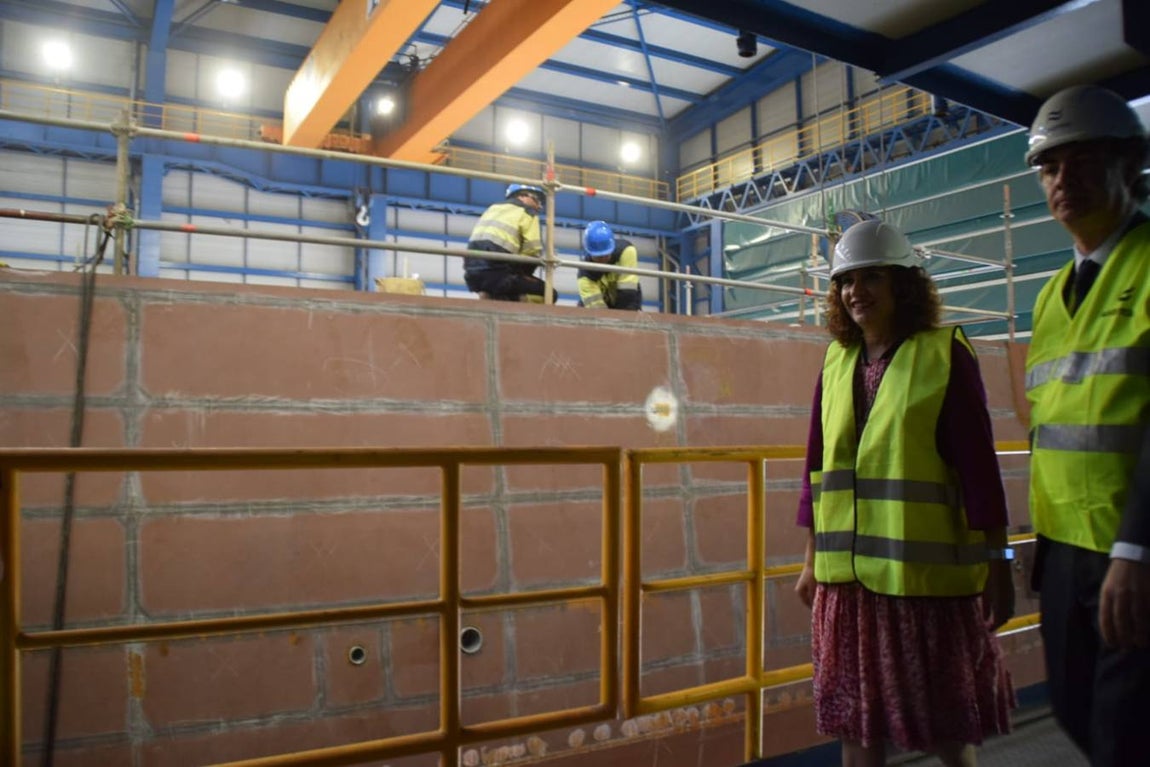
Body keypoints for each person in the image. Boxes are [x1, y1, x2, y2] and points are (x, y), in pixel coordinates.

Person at [794, 219, 1016, 767]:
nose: (856, 291)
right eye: (846, 281)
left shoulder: (943, 355)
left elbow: (980, 471)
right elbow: (817, 471)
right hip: (847, 589)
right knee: (855, 726)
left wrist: (1001, 563)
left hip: (923, 589)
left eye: (872, 277)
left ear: (904, 284)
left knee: (948, 729)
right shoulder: (835, 362)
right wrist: (810, 561)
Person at [1022, 84, 1150, 767]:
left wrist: (1137, 549)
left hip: (1130, 551)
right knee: (1075, 714)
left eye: (1081, 161)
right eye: (1049, 166)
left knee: (1125, 735)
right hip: (1065, 554)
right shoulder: (1050, 295)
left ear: (1130, 164)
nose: (1061, 180)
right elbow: (1054, 427)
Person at [464, 183, 549, 303]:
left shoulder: (493, 208)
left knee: (497, 285)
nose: (538, 206)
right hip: (499, 275)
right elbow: (533, 249)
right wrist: (526, 273)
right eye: (536, 200)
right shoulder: (527, 212)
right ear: (522, 196)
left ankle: (486, 298)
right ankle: (513, 304)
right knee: (548, 293)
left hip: (473, 277)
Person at [577, 220, 642, 310]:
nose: (603, 259)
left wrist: (623, 316)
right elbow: (597, 309)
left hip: (625, 300)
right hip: (603, 305)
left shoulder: (627, 251)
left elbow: (628, 292)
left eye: (606, 255)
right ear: (590, 253)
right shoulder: (584, 277)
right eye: (598, 257)